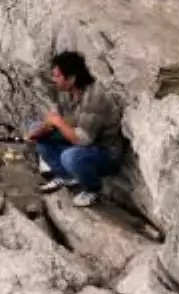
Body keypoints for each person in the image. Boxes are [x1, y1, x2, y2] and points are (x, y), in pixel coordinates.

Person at [26, 50, 124, 208]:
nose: (53, 79)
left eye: (57, 76)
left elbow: (83, 140)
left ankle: (92, 190)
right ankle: (66, 176)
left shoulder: (95, 98)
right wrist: (40, 131)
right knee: (40, 137)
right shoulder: (66, 93)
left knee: (70, 157)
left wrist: (57, 122)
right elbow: (56, 118)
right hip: (82, 142)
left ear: (71, 78)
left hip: (105, 153)